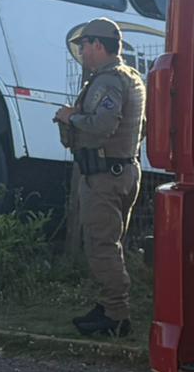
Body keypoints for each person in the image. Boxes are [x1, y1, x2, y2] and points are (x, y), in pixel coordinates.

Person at [54, 17, 146, 338]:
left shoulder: (109, 81)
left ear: (98, 45)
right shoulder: (129, 77)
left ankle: (117, 314)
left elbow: (101, 125)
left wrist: (70, 117)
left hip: (105, 175)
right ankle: (109, 306)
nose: (82, 51)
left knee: (101, 245)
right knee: (109, 242)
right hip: (120, 170)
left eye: (84, 45)